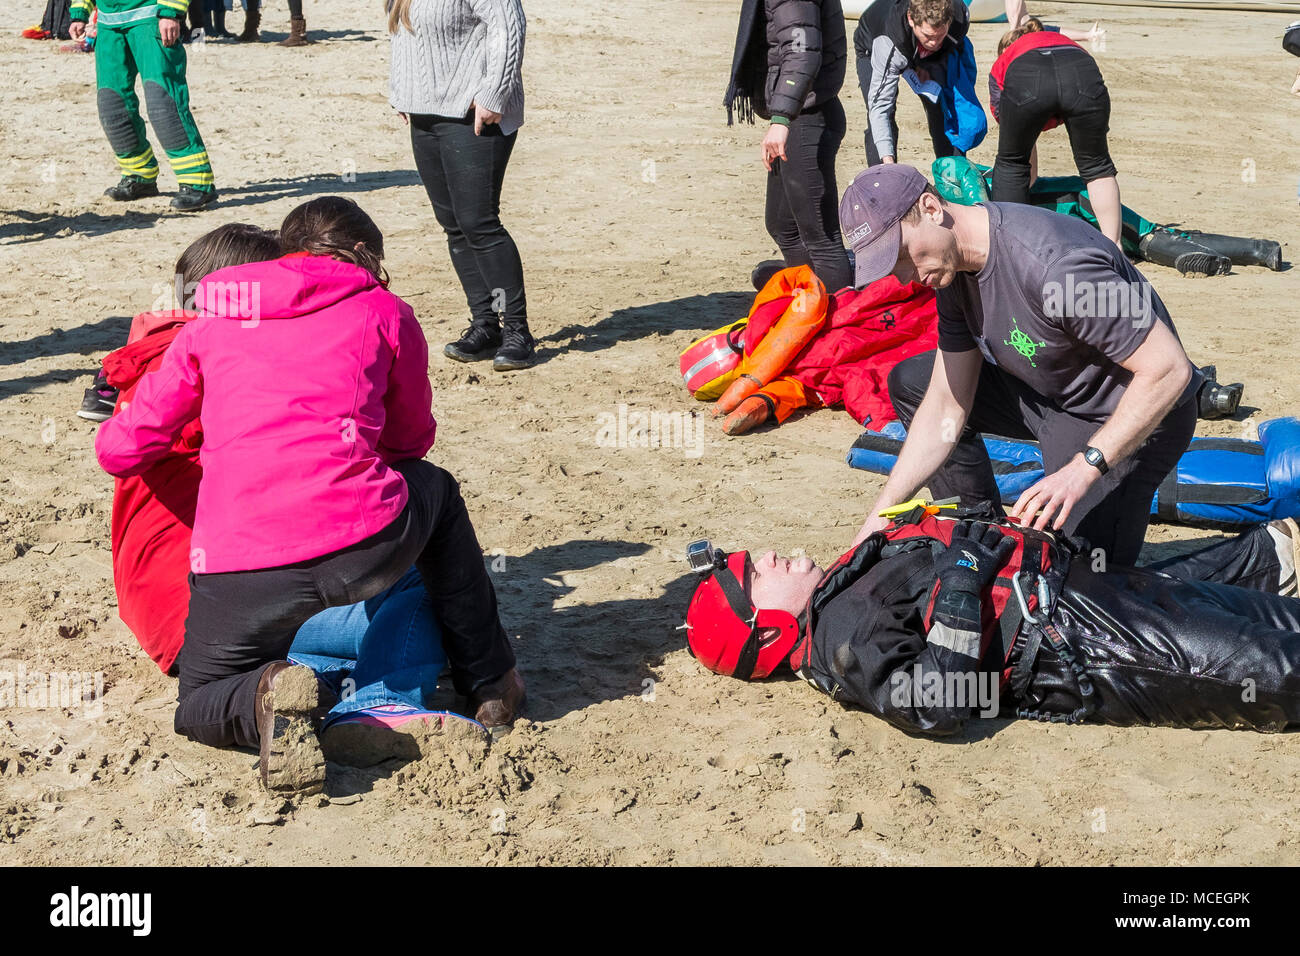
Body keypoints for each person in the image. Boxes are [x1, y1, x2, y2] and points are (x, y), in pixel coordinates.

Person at [94, 197, 524, 797]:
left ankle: (272, 690)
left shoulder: (200, 334)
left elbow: (117, 452)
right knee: (432, 529)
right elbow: (411, 442)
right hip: (354, 544)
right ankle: (483, 684)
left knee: (197, 704)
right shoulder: (383, 310)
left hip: (233, 574)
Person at [840, 163, 1200, 567]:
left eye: (903, 255)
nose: (906, 277)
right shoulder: (951, 268)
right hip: (1052, 392)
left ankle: (1261, 558)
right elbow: (945, 404)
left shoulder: (1059, 267)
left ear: (930, 207)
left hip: (1131, 414)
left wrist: (1082, 469)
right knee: (915, 383)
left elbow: (1171, 370)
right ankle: (981, 533)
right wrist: (876, 521)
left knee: (1081, 578)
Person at [682, 510, 1300, 735]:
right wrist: (964, 570)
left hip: (1094, 593)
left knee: (1280, 622)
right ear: (768, 631)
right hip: (1086, 644)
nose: (764, 556)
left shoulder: (840, 586)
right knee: (1280, 668)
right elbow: (937, 703)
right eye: (753, 574)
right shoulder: (841, 641)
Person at [388, 0, 534, 370]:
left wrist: (494, 93)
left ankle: (516, 330)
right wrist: (400, 91)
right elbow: (406, 37)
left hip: (474, 112)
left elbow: (508, 27)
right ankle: (486, 325)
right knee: (453, 226)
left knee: (479, 224)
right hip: (424, 113)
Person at [724, 0, 853, 294]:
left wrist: (781, 120)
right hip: (799, 117)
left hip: (807, 120)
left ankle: (839, 321)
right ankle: (808, 299)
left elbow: (802, 54)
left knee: (821, 238)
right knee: (784, 226)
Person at [69, 0, 218, 210]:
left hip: (152, 18)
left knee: (163, 103)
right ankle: (140, 175)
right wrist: (79, 13)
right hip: (108, 24)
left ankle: (198, 182)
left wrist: (171, 12)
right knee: (112, 105)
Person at [988, 14, 1121, 244]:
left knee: (1011, 163)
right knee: (1096, 166)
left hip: (1028, 78)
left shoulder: (1005, 60)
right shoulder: (1059, 38)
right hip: (1081, 69)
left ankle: (1012, 247)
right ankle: (1115, 246)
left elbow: (1017, 142)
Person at [853, 0, 969, 167]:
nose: (934, 43)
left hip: (916, 49)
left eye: (940, 36)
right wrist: (888, 163)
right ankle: (883, 178)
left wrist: (926, 62)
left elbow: (948, 50)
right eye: (928, 36)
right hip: (872, 44)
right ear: (911, 20)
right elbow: (880, 107)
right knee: (883, 113)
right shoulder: (889, 41)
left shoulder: (959, 20)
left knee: (941, 106)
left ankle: (952, 175)